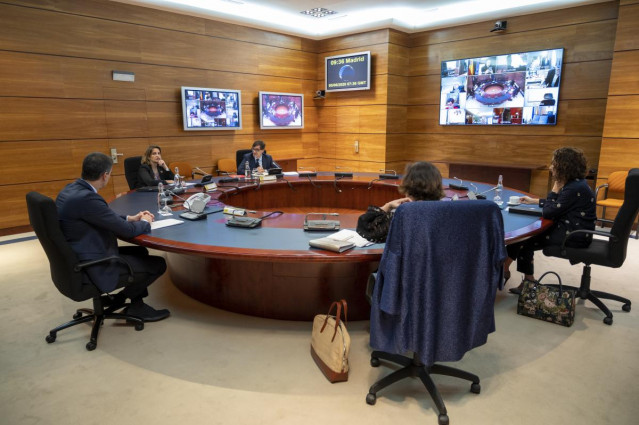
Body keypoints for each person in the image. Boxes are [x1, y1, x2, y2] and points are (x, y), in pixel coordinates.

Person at [56, 152, 170, 321]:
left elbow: (101, 216)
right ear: (105, 175)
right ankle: (129, 302)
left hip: (76, 256)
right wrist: (145, 222)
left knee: (141, 253)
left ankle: (127, 301)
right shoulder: (88, 198)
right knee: (158, 264)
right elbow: (127, 231)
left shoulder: (72, 190)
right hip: (92, 262)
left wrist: (130, 218)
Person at [504, 147, 597, 294]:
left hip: (573, 236)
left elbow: (549, 212)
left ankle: (509, 271)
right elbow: (560, 204)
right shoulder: (577, 184)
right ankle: (520, 276)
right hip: (576, 229)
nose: (551, 167)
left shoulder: (573, 188)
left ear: (564, 166)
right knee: (525, 238)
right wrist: (534, 201)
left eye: (554, 163)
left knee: (525, 240)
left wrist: (554, 189)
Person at [356, 161, 444, 243]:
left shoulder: (405, 214)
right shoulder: (444, 211)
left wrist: (387, 206)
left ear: (410, 184)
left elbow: (365, 228)